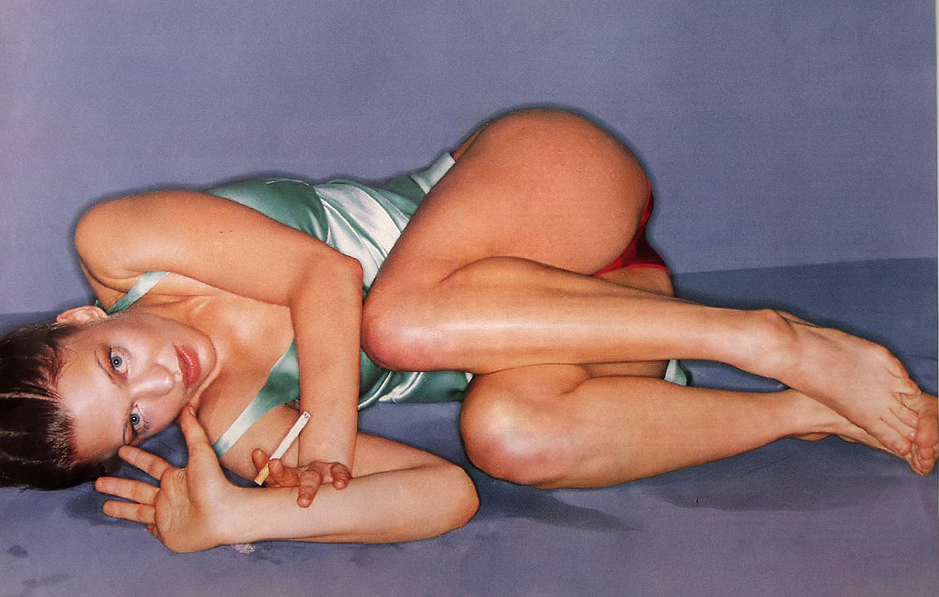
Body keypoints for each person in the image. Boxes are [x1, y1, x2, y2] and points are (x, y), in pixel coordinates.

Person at [1, 108, 935, 553]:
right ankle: (807, 409)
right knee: (505, 437)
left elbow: (324, 276)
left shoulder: (123, 245)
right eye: (135, 420)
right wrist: (240, 515)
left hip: (549, 189)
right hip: (606, 313)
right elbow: (442, 493)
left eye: (115, 361)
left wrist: (326, 441)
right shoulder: (236, 426)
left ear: (81, 317)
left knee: (395, 321)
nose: (162, 382)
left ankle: (765, 339)